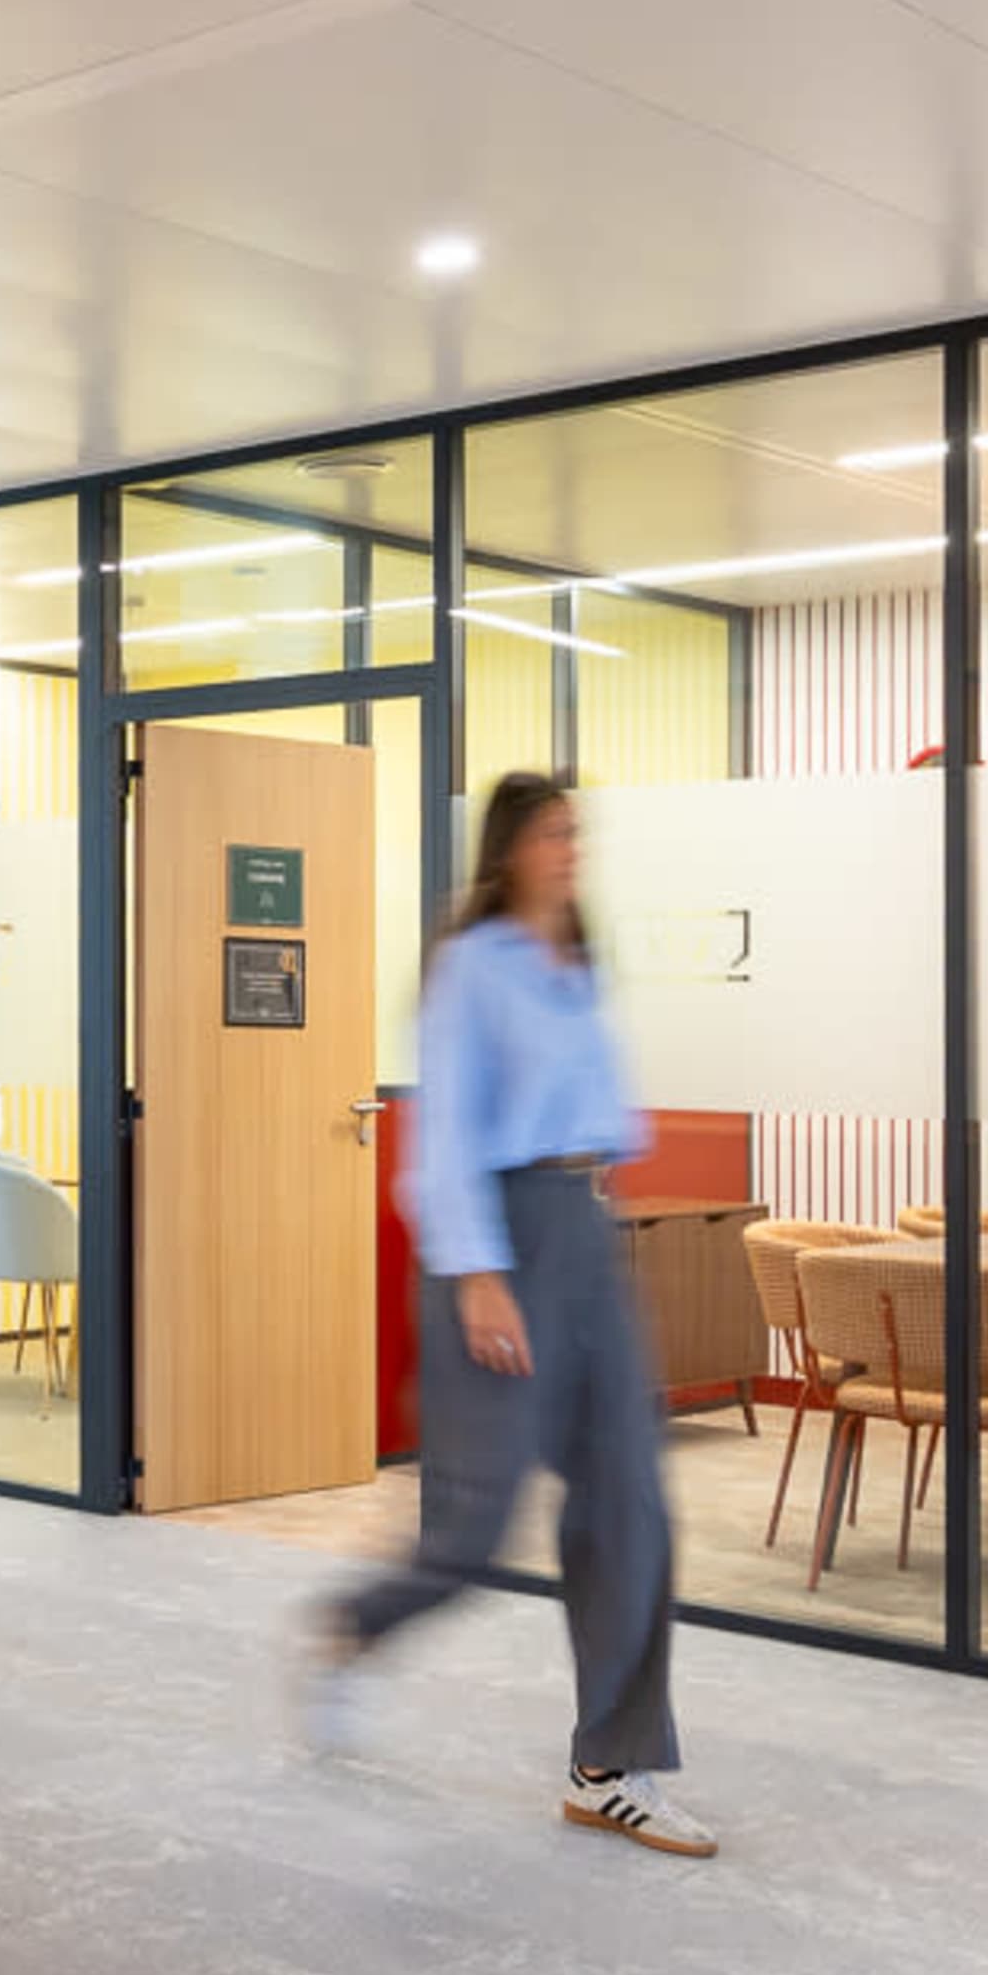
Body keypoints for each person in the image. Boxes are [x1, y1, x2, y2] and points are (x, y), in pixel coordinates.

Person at [300, 772, 715, 1860]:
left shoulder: (575, 963)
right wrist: (481, 1277)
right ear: (511, 849)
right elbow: (441, 1141)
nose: (573, 848)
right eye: (554, 832)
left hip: (584, 1232)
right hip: (499, 1247)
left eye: (578, 831)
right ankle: (354, 1627)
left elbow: (596, 1108)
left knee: (630, 1505)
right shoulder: (471, 970)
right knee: (474, 1534)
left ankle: (610, 1768)